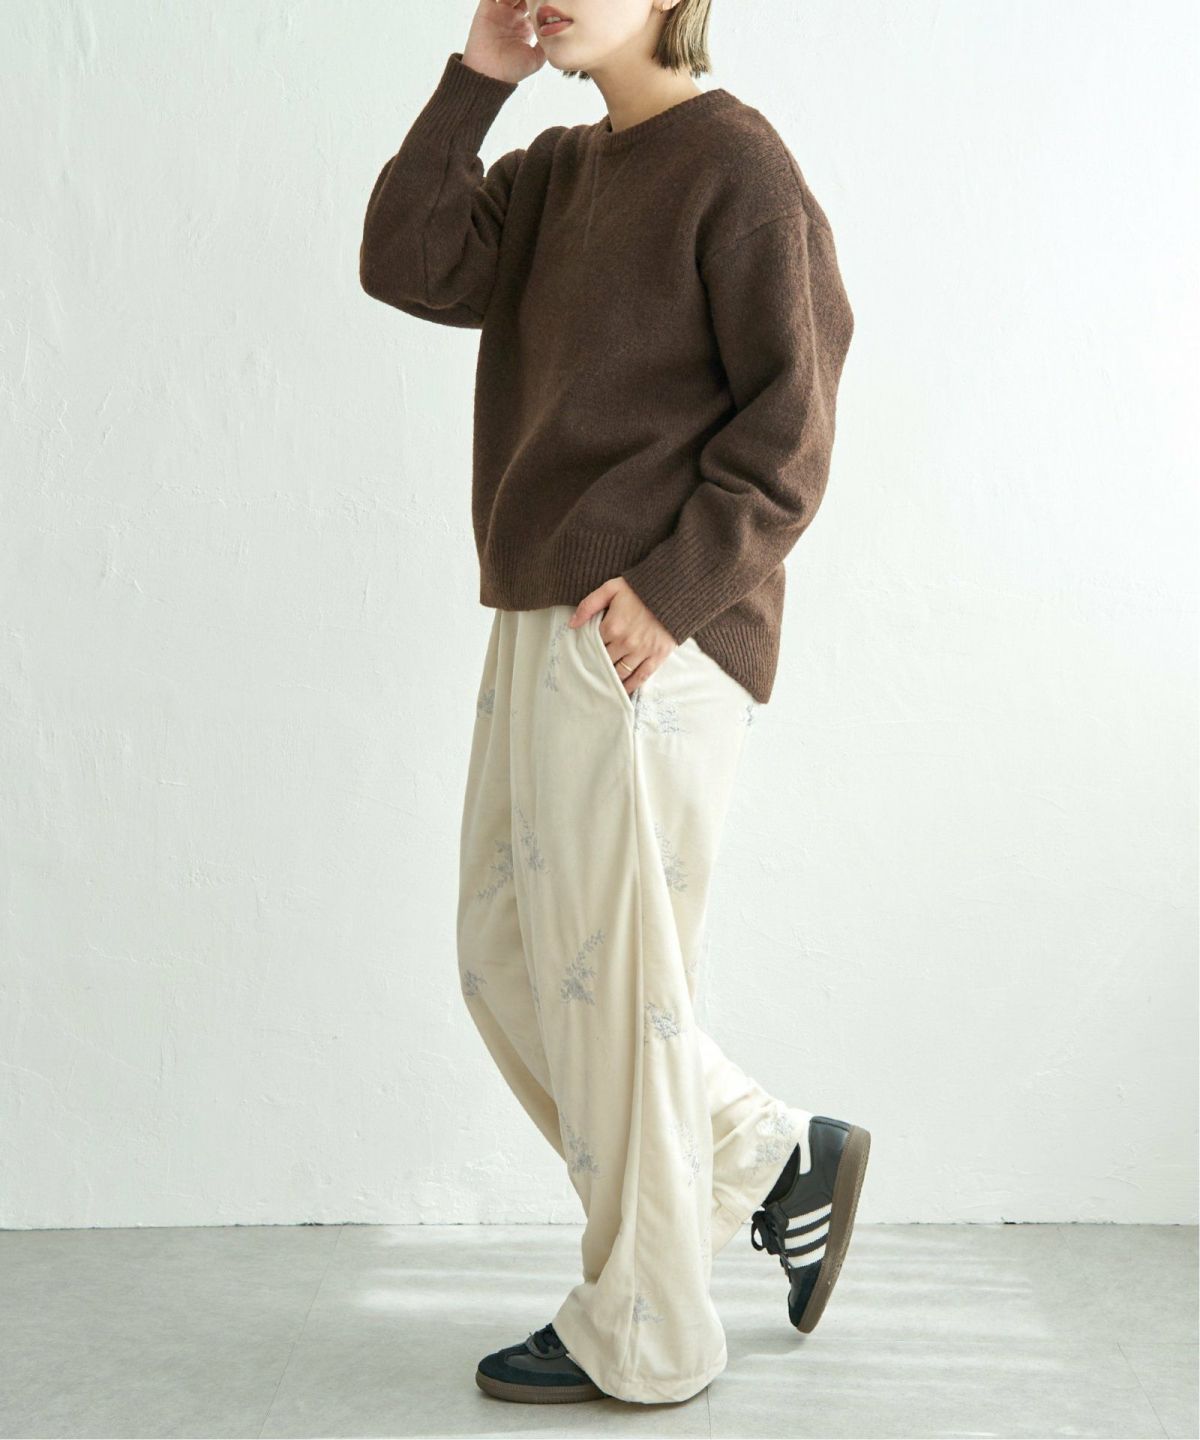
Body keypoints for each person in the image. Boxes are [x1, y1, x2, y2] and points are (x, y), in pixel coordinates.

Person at [359, 0, 869, 1408]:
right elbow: (405, 261)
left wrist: (675, 590)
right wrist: (479, 79)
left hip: (649, 635)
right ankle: (767, 1153)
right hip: (545, 614)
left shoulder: (738, 167)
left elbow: (797, 415)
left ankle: (646, 1330)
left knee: (618, 988)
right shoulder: (553, 176)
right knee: (509, 959)